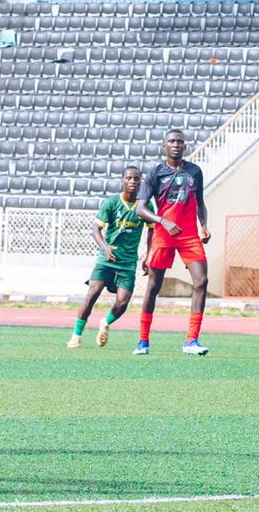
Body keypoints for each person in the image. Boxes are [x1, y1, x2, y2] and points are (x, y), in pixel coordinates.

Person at [132, 129, 211, 356]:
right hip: (163, 234)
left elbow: (200, 202)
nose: (176, 145)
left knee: (202, 281)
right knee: (154, 287)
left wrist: (204, 225)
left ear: (184, 146)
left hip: (189, 235)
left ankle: (192, 340)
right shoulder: (155, 173)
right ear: (164, 146)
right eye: (171, 141)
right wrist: (162, 221)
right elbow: (140, 209)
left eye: (179, 142)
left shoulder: (195, 171)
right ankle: (143, 341)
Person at [67, 166, 154, 349]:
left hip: (128, 262)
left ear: (140, 181)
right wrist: (105, 247)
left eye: (136, 178)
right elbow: (95, 229)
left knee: (122, 302)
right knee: (93, 292)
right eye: (128, 178)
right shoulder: (111, 203)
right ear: (122, 180)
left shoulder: (145, 205)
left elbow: (151, 231)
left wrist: (149, 255)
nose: (132, 181)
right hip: (107, 259)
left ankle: (105, 322)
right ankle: (76, 336)